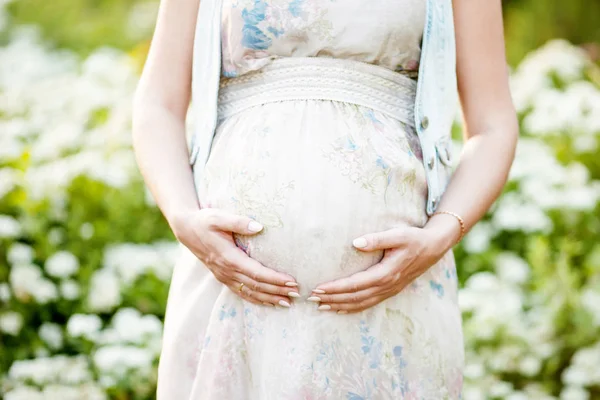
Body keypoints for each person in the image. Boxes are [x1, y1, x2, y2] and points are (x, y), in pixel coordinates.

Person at [132, 0, 518, 398]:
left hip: (397, 296)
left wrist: (439, 236)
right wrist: (184, 219)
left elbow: (493, 125)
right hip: (230, 288)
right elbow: (158, 104)